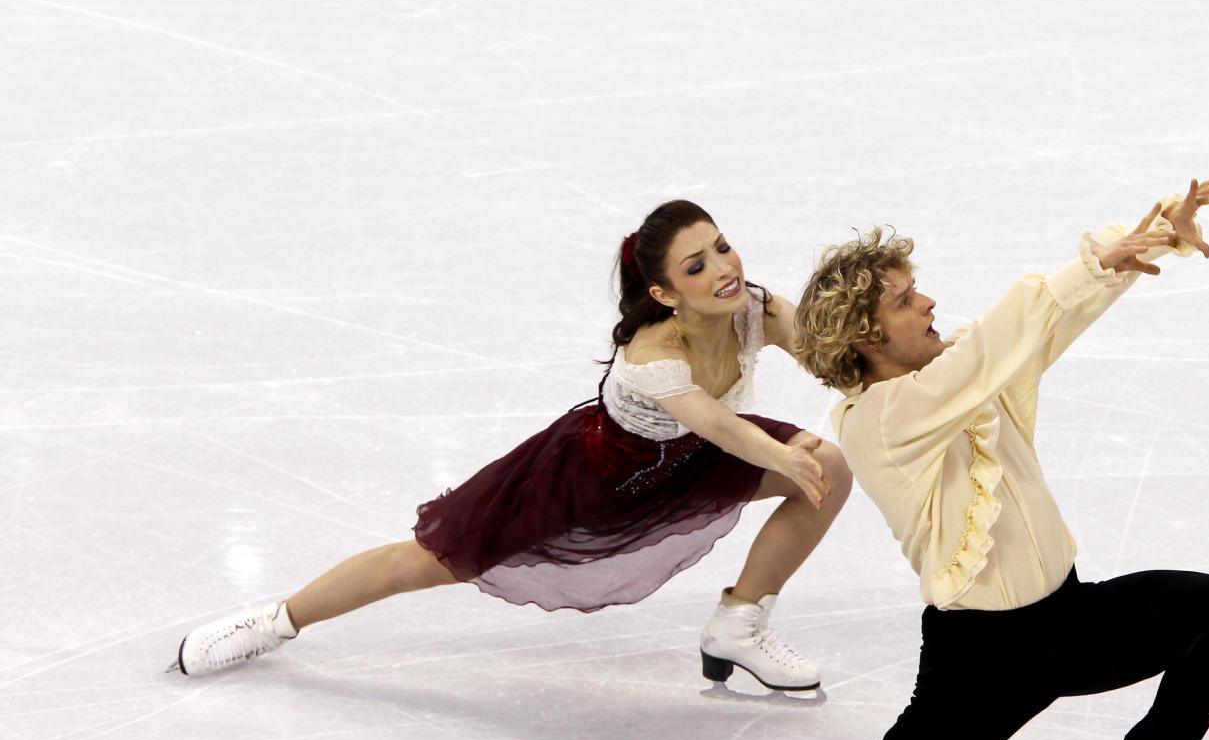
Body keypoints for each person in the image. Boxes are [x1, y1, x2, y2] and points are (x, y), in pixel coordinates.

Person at [547, 179, 1209, 740]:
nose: (927, 302)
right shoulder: (880, 420)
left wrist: (1140, 247)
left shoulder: (962, 373)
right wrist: (1089, 263)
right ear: (866, 334)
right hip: (984, 663)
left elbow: (1034, 335)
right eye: (903, 299)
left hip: (1073, 620)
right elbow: (998, 342)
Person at [172, 200, 852, 692]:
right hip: (588, 481)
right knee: (424, 563)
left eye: (723, 246)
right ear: (662, 293)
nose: (725, 269)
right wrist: (780, 455)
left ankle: (739, 623)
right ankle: (274, 620)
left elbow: (829, 358)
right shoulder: (653, 354)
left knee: (829, 467)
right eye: (697, 265)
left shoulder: (755, 308)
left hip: (689, 463)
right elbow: (717, 425)